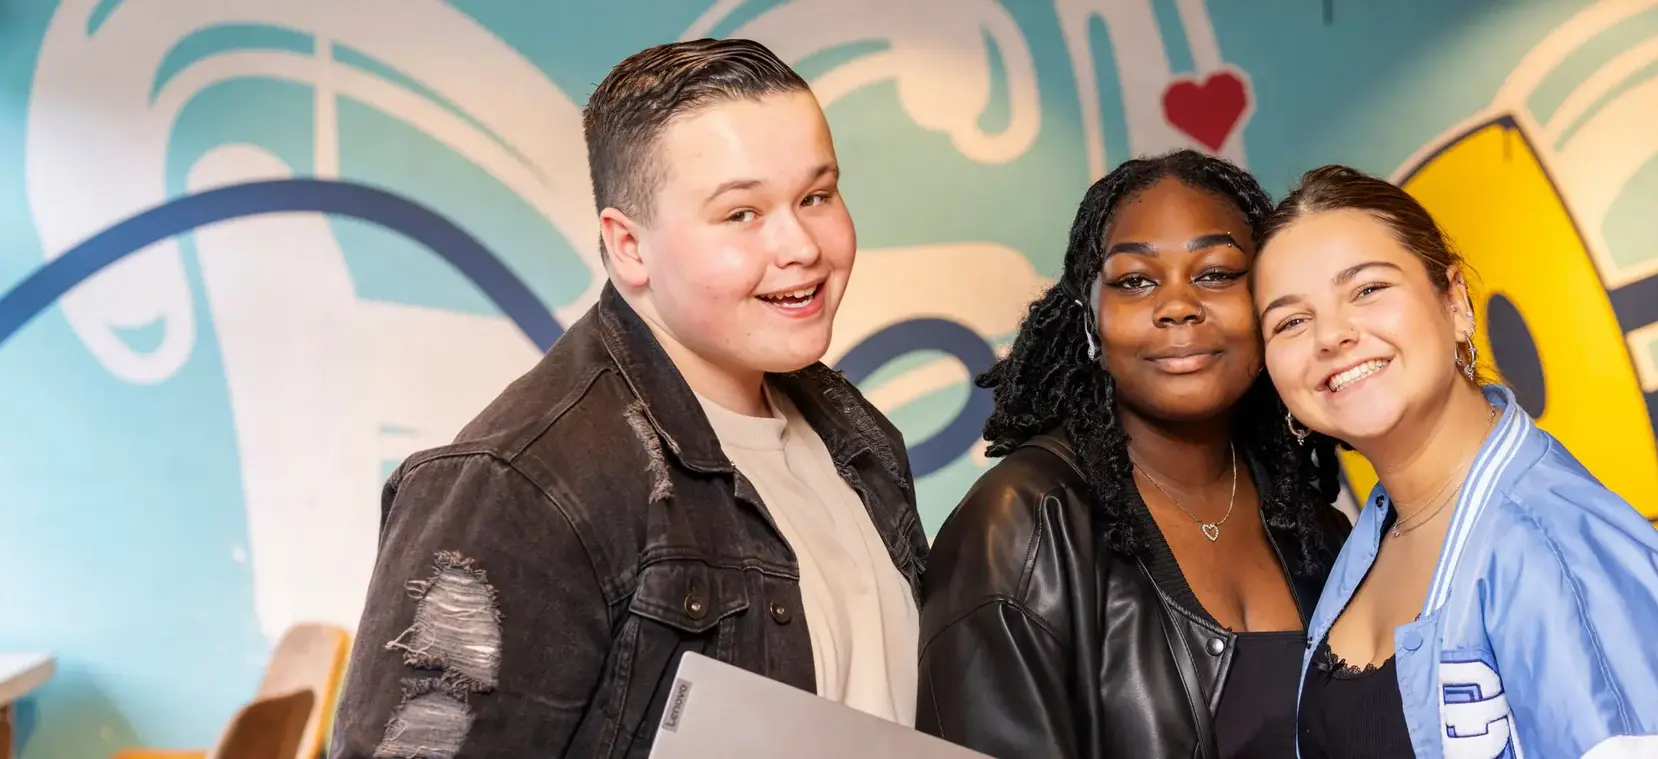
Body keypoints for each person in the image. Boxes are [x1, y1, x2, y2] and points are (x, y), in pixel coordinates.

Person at [328, 39, 928, 758]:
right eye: (741, 213)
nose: (801, 246)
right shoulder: (518, 484)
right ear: (629, 246)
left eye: (816, 197)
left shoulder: (854, 432)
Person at [1252, 164, 1658, 759]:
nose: (1331, 336)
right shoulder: (1378, 532)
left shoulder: (1561, 546)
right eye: (1291, 321)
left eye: (1367, 290)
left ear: (1455, 301)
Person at [915, 150, 1350, 759]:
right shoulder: (1021, 526)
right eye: (1135, 281)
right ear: (1090, 321)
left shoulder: (1316, 528)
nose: (1177, 305)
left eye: (1216, 273)